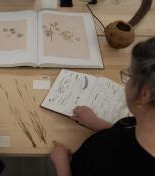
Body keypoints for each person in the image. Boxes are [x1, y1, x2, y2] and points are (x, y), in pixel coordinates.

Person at [50, 37, 155, 176]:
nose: (127, 82)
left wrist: (62, 163)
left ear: (145, 94)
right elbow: (126, 132)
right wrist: (96, 123)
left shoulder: (111, 161)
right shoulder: (143, 124)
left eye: (130, 76)